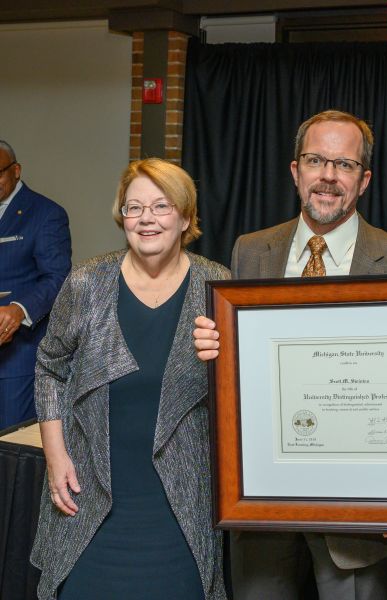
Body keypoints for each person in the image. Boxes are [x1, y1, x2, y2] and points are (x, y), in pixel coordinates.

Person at [194, 109, 387, 600]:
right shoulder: (251, 251)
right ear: (295, 170)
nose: (328, 176)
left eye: (344, 165)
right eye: (315, 160)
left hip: (359, 514)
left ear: (364, 180)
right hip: (261, 500)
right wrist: (214, 349)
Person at [30, 158, 228, 600]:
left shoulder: (217, 286)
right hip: (89, 500)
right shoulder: (86, 283)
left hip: (182, 508)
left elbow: (240, 391)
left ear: (186, 217)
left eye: (161, 206)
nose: (146, 219)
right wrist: (56, 456)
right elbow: (49, 366)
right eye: (134, 207)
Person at [0, 140, 71, 429]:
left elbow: (57, 277)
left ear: (15, 171)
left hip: (15, 357)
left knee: (9, 449)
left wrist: (18, 310)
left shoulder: (45, 214)